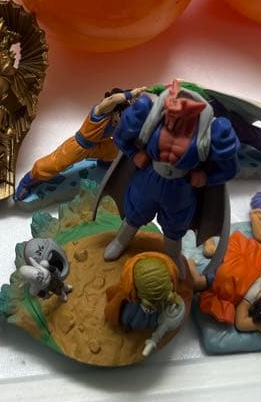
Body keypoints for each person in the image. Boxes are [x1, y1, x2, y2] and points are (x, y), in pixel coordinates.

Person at [99, 80, 239, 272]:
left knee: (175, 225)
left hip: (180, 187)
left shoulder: (210, 132)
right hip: (149, 178)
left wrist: (206, 177)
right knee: (135, 212)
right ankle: (121, 240)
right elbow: (121, 137)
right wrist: (134, 154)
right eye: (170, 112)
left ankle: (173, 254)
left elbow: (229, 169)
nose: (172, 119)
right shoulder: (151, 118)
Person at [14, 86, 147, 200]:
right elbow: (112, 100)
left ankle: (104, 163)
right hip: (79, 146)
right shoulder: (100, 112)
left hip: (98, 146)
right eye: (122, 115)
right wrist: (132, 93)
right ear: (115, 111)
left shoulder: (117, 121)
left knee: (114, 149)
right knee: (52, 164)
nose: (123, 120)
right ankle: (27, 181)